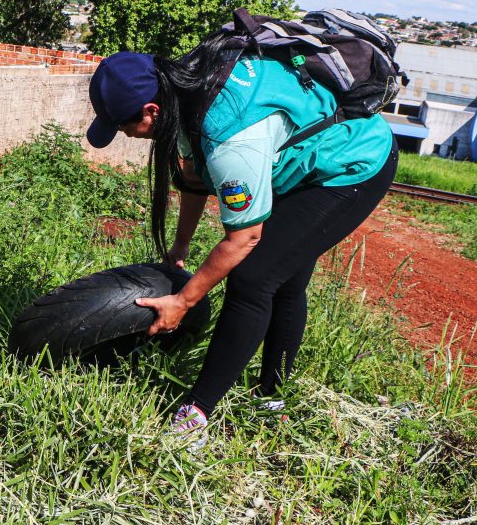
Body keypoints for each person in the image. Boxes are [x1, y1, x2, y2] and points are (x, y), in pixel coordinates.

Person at [86, 41, 398, 450]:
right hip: (302, 163)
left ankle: (197, 413)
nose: (125, 133)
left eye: (123, 125)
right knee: (282, 279)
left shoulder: (229, 135)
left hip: (350, 166)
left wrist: (183, 301)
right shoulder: (187, 89)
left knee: (253, 279)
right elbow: (197, 177)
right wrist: (180, 247)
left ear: (150, 111)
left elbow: (243, 238)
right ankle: (273, 396)